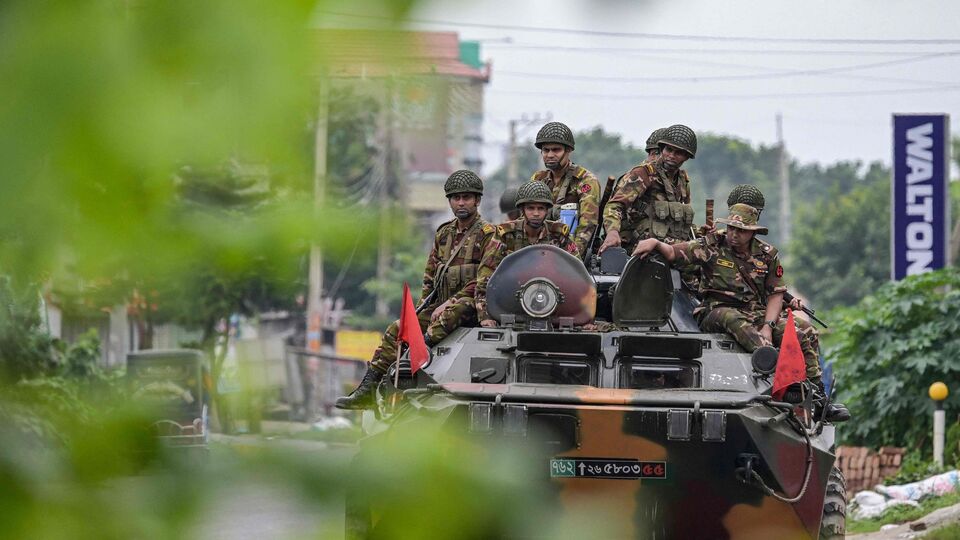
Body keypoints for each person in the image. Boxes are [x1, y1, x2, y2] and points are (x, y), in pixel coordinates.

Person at [631, 203, 848, 421]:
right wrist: (655, 243)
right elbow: (673, 253)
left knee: (805, 330)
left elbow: (776, 294)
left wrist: (768, 326)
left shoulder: (767, 255)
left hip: (756, 312)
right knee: (733, 319)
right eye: (731, 228)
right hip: (716, 310)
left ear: (752, 232)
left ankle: (818, 398)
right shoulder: (711, 245)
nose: (734, 234)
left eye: (741, 230)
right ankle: (779, 375)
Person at [336, 170, 496, 409]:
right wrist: (423, 309)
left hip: (469, 306)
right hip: (439, 307)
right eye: (456, 198)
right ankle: (368, 389)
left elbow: (484, 280)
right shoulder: (444, 234)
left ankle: (417, 356)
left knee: (452, 312)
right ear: (450, 201)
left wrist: (449, 303)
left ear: (477, 200)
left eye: (466, 197)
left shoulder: (489, 235)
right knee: (398, 328)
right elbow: (431, 276)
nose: (461, 203)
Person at [475, 180, 579, 327]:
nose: (536, 213)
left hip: (552, 305)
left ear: (547, 210)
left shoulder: (559, 234)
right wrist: (485, 316)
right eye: (531, 208)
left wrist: (581, 317)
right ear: (522, 210)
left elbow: (577, 273)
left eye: (541, 208)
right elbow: (485, 275)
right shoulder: (506, 234)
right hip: (511, 304)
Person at [599, 124, 697, 254]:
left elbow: (683, 219)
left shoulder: (682, 181)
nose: (671, 155)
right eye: (668, 150)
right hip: (637, 243)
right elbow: (615, 205)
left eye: (678, 153)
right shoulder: (643, 173)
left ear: (687, 156)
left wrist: (700, 233)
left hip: (667, 243)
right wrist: (612, 232)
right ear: (662, 149)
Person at [528, 122, 600, 257]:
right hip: (539, 253)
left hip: (572, 253)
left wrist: (571, 258)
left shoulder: (585, 180)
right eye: (546, 150)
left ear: (568, 151)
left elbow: (587, 224)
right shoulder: (538, 179)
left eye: (556, 150)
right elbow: (526, 219)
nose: (550, 155)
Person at [615, 127, 668, 254]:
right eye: (666, 152)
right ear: (652, 154)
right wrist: (613, 233)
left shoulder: (678, 180)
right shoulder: (639, 175)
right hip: (635, 243)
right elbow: (614, 208)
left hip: (665, 240)